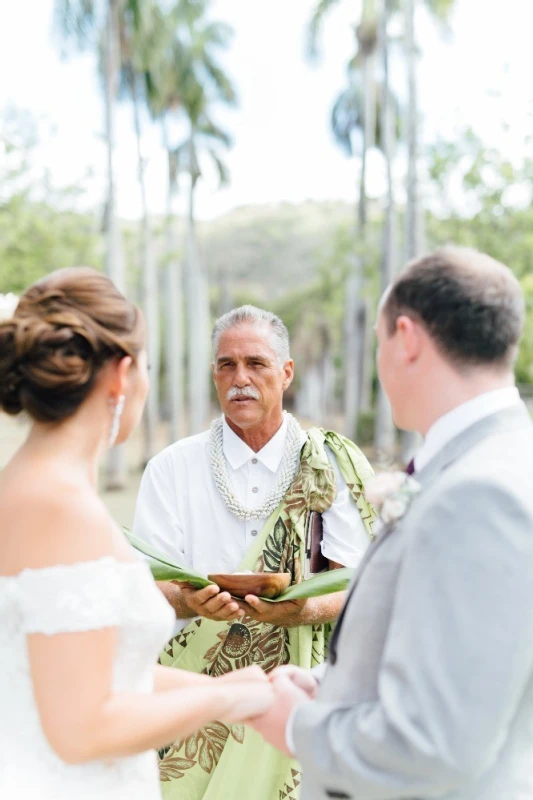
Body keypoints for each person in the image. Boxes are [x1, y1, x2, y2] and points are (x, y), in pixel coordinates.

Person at [251, 247, 533, 800]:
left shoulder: (478, 493)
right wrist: (328, 692)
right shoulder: (497, 460)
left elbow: (435, 744)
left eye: (379, 341)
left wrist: (296, 725)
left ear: (405, 338)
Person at [0, 268, 274, 800]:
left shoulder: (34, 489)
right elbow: (82, 729)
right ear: (122, 376)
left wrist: (240, 686)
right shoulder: (59, 509)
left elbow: (99, 668)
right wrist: (227, 704)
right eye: (148, 367)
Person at [133, 305, 376, 799]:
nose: (239, 378)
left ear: (286, 372)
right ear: (214, 374)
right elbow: (142, 591)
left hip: (298, 696)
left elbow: (360, 588)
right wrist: (188, 600)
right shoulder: (171, 468)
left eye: (256, 363)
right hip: (192, 704)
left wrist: (304, 609)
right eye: (227, 364)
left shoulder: (328, 462)